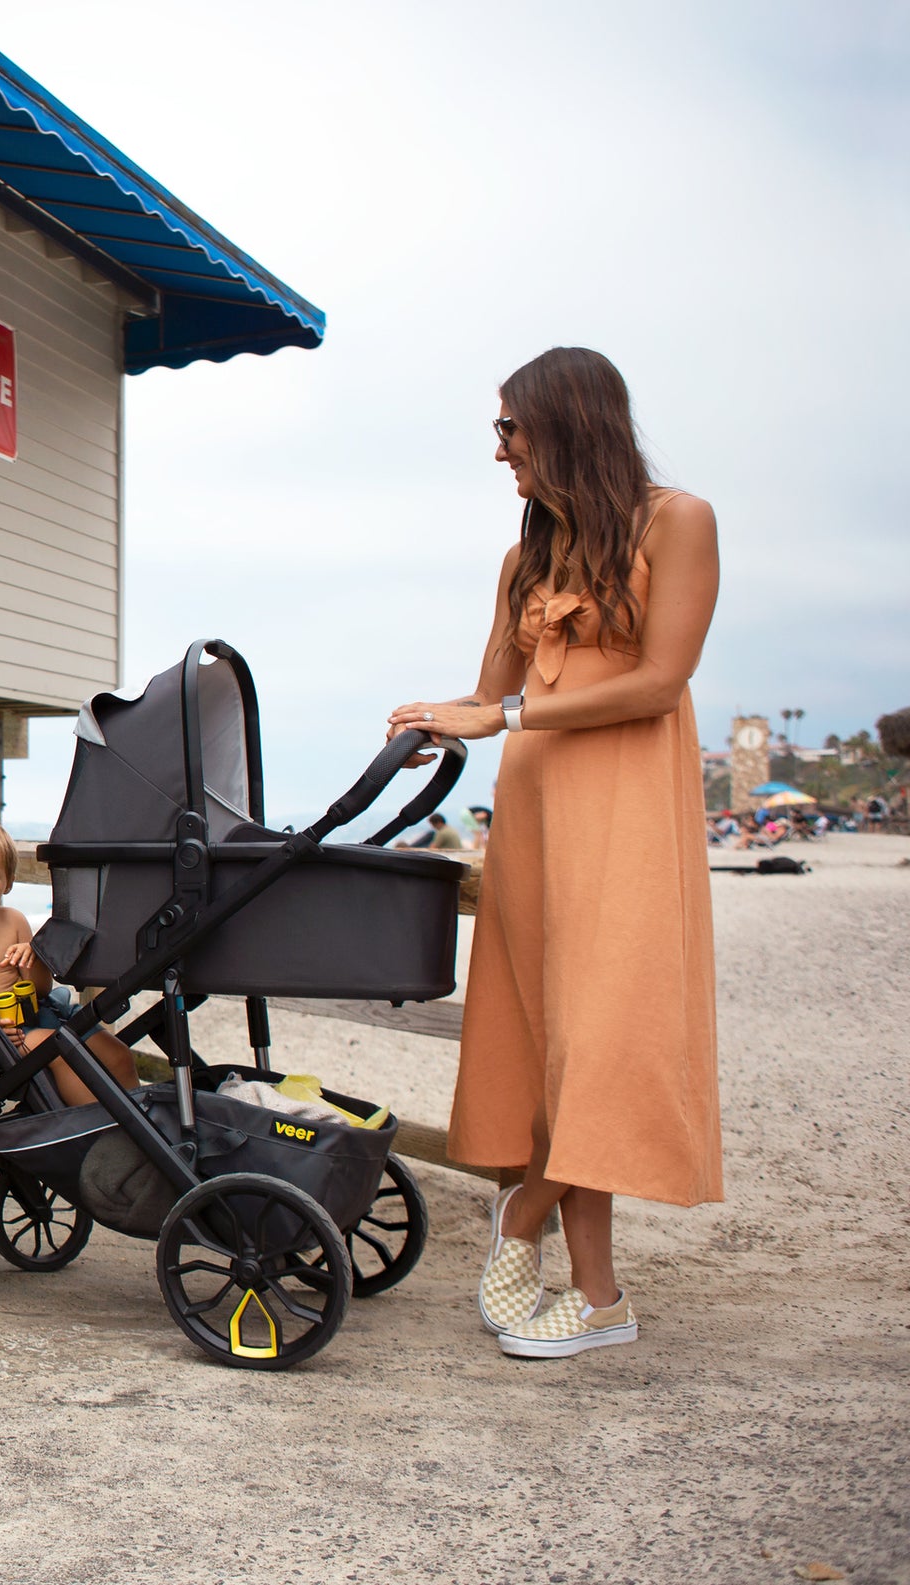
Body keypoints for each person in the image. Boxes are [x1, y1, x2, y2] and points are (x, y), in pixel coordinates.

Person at [386, 346, 720, 1360]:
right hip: (532, 810)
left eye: (508, 430)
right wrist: (433, 723)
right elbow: (489, 695)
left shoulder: (679, 521)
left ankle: (523, 1217)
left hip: (624, 807)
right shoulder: (526, 555)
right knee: (549, 1044)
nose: (500, 454)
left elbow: (661, 681)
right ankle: (603, 1296)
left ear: (566, 420)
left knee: (609, 1038)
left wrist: (509, 712)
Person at [0, 816, 139, 1103]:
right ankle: (95, 1128)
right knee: (59, 1050)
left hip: (39, 1013)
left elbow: (41, 990)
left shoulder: (14, 921)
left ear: (8, 882)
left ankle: (141, 1127)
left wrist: (33, 959)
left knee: (118, 1053)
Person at [392, 812, 464, 851]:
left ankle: (407, 847)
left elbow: (432, 849)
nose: (433, 827)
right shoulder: (450, 829)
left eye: (433, 824)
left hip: (446, 853)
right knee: (431, 834)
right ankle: (407, 847)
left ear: (438, 823)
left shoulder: (442, 832)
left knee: (431, 833)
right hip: (453, 851)